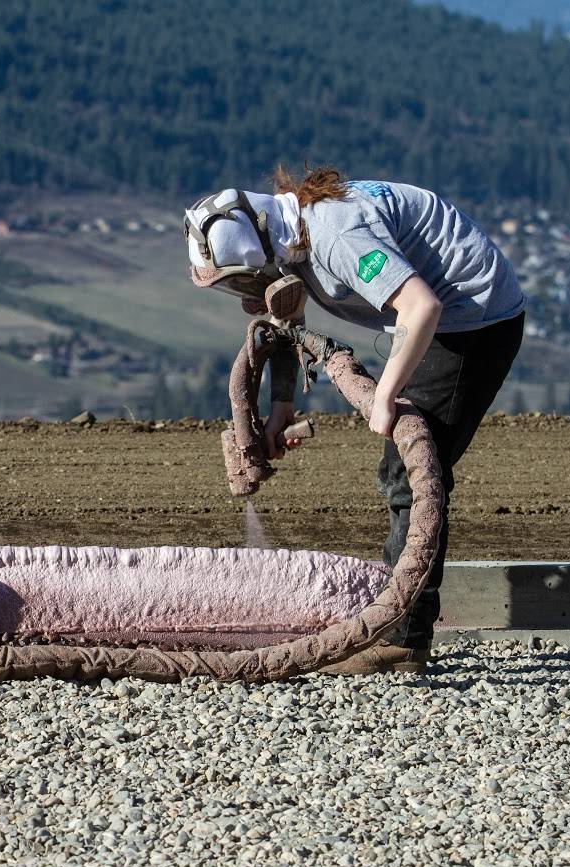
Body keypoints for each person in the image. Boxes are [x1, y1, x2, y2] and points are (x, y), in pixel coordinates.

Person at [184, 166, 525, 674]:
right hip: (442, 318)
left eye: (240, 282)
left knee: (409, 472)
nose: (243, 294)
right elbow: (284, 321)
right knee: (400, 471)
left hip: (472, 321)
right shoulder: (287, 226)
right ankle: (395, 622)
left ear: (257, 253)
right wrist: (282, 408)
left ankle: (401, 640)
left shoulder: (335, 234)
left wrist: (385, 394)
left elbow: (421, 305)